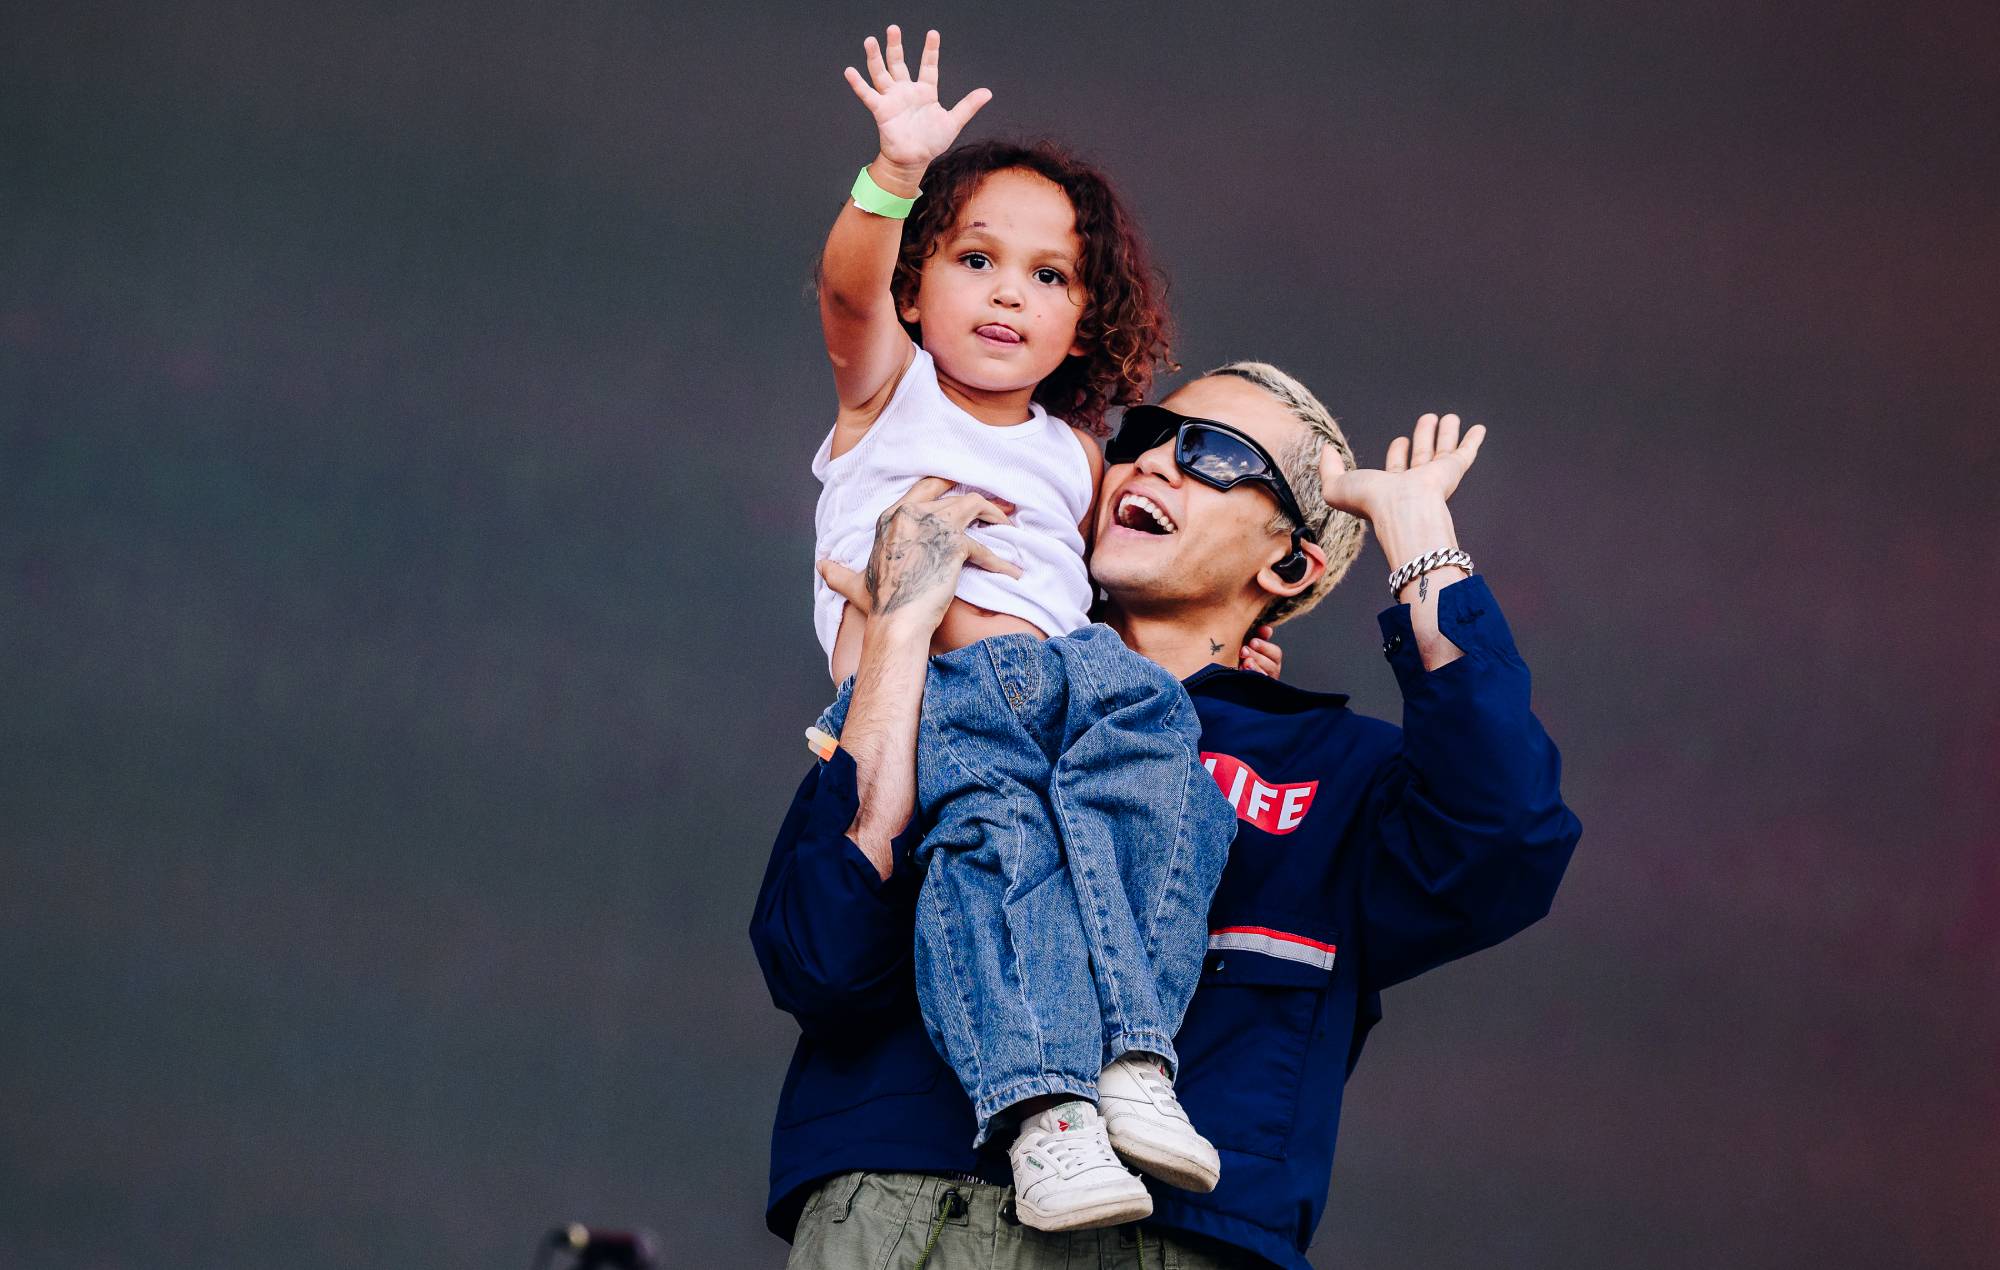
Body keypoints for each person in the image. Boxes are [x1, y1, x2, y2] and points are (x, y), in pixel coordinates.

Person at [751, 360, 1584, 1268]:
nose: (1151, 463)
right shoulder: (958, 698)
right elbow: (817, 959)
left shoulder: (1337, 774)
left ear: (1291, 560)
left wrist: (1421, 540)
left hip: (1177, 1236)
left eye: (1212, 454)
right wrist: (902, 637)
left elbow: (1505, 836)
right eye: (1143, 437)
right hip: (906, 1216)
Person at [806, 24, 1266, 1229]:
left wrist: (1223, 642)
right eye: (974, 258)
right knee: (997, 857)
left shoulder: (1071, 448)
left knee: (1170, 804)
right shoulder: (886, 388)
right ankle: (1041, 1114)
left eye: (1050, 275)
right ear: (916, 284)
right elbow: (845, 284)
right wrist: (894, 176)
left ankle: (1129, 1055)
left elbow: (1105, 584)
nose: (1010, 290)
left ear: (1083, 318)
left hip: (1075, 681)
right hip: (948, 688)